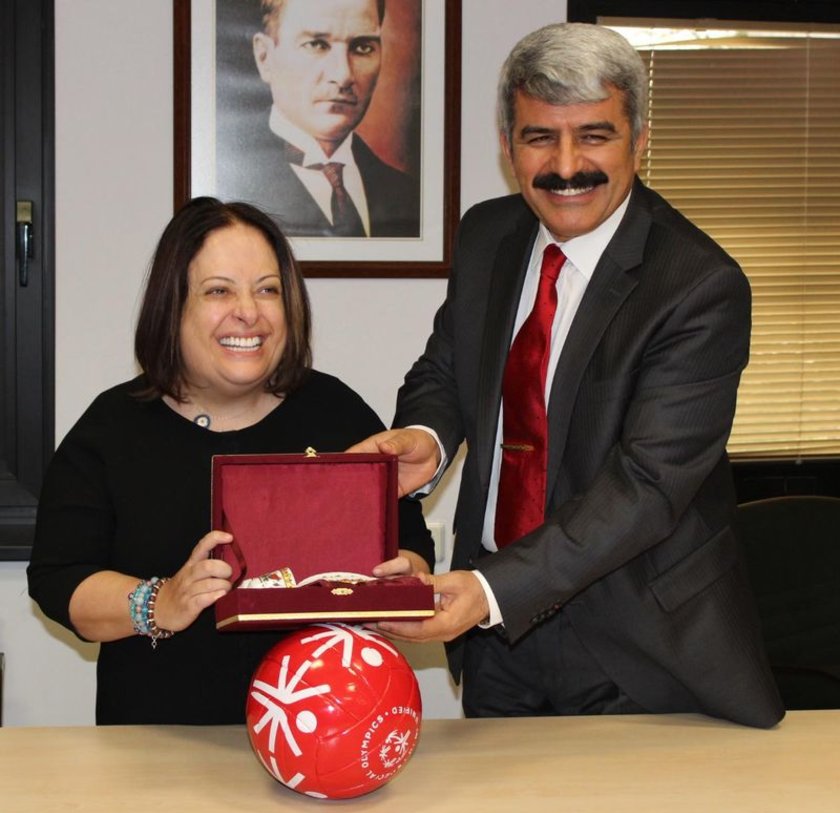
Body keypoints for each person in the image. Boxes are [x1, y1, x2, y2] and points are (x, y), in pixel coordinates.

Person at [351, 23, 784, 727]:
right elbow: (448, 366)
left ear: (639, 142)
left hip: (632, 640)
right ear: (507, 145)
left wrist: (490, 589)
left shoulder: (697, 286)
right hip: (496, 639)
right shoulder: (488, 235)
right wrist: (427, 436)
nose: (565, 165)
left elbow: (647, 487)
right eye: (539, 137)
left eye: (594, 136)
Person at [27, 197, 434, 725]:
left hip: (324, 739)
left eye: (268, 290)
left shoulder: (336, 412)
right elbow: (59, 580)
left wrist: (403, 578)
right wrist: (161, 601)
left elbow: (412, 547)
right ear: (173, 306)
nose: (249, 311)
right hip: (156, 742)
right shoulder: (113, 427)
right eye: (219, 290)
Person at [216, 0, 420, 238]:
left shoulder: (408, 196)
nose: (343, 75)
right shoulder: (227, 191)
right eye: (316, 45)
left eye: (363, 47)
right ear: (265, 57)